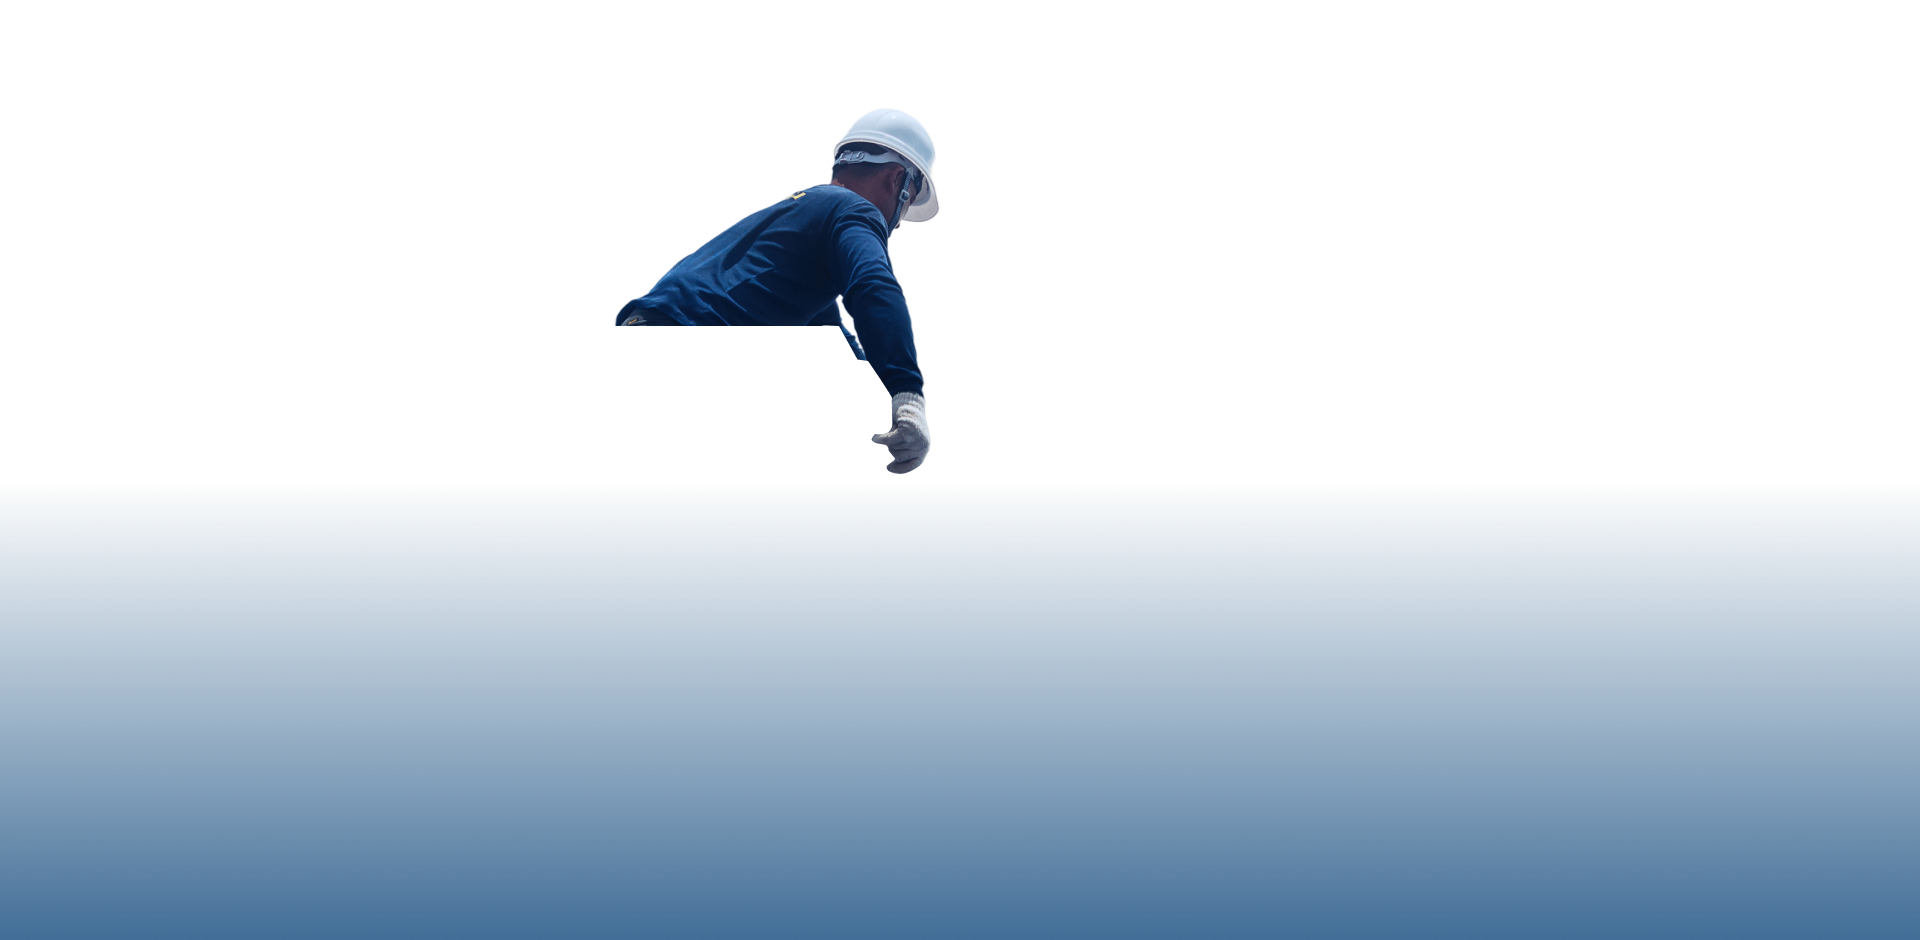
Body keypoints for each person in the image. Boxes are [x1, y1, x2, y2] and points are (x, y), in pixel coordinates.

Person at [616, 108, 939, 475]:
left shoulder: (801, 214)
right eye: (909, 200)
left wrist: (882, 378)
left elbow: (833, 331)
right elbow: (873, 285)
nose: (899, 221)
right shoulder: (854, 211)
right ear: (897, 178)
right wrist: (908, 395)